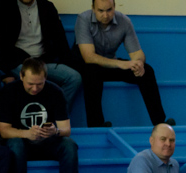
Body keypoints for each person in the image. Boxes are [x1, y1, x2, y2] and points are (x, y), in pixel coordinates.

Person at [0, 57, 79, 173]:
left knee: (69, 144)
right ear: (21, 76)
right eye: (30, 84)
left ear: (45, 78)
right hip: (22, 143)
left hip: (47, 142)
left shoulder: (55, 91)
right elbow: (4, 130)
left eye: (39, 84)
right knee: (15, 144)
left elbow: (66, 129)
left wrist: (55, 131)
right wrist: (27, 133)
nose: (34, 89)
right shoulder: (9, 91)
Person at [73, 0, 171, 128]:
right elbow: (89, 57)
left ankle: (159, 123)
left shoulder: (124, 21)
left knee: (147, 71)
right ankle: (96, 126)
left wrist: (138, 63)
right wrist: (121, 64)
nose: (105, 15)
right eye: (100, 11)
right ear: (93, 8)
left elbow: (137, 53)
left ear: (114, 7)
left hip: (109, 64)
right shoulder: (83, 19)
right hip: (86, 65)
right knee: (91, 72)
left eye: (109, 10)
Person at [0, 0, 81, 109]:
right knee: (33, 79)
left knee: (74, 78)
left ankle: (56, 118)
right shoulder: (3, 7)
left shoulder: (47, 7)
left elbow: (60, 39)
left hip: (43, 61)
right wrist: (4, 74)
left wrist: (69, 64)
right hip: (17, 62)